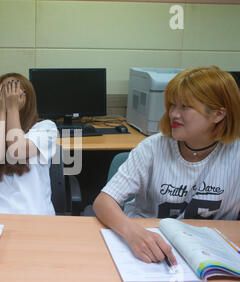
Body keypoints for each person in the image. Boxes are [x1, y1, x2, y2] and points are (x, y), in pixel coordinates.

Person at [93, 66, 240, 265]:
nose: (173, 114)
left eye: (185, 107)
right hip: (148, 249)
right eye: (172, 105)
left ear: (218, 114)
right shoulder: (153, 147)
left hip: (211, 254)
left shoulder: (235, 154)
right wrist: (132, 232)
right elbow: (103, 202)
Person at [0, 73, 58, 215]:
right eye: (4, 92)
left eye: (14, 91)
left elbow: (17, 150)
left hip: (33, 212)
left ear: (28, 98)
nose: (10, 97)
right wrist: (2, 114)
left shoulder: (46, 128)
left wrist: (12, 109)